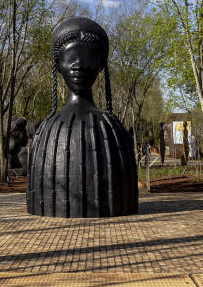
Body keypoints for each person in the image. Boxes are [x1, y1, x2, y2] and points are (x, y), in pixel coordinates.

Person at [27, 17, 138, 217]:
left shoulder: (112, 129)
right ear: (58, 64)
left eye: (89, 57)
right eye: (70, 57)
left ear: (100, 64)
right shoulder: (48, 130)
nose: (79, 65)